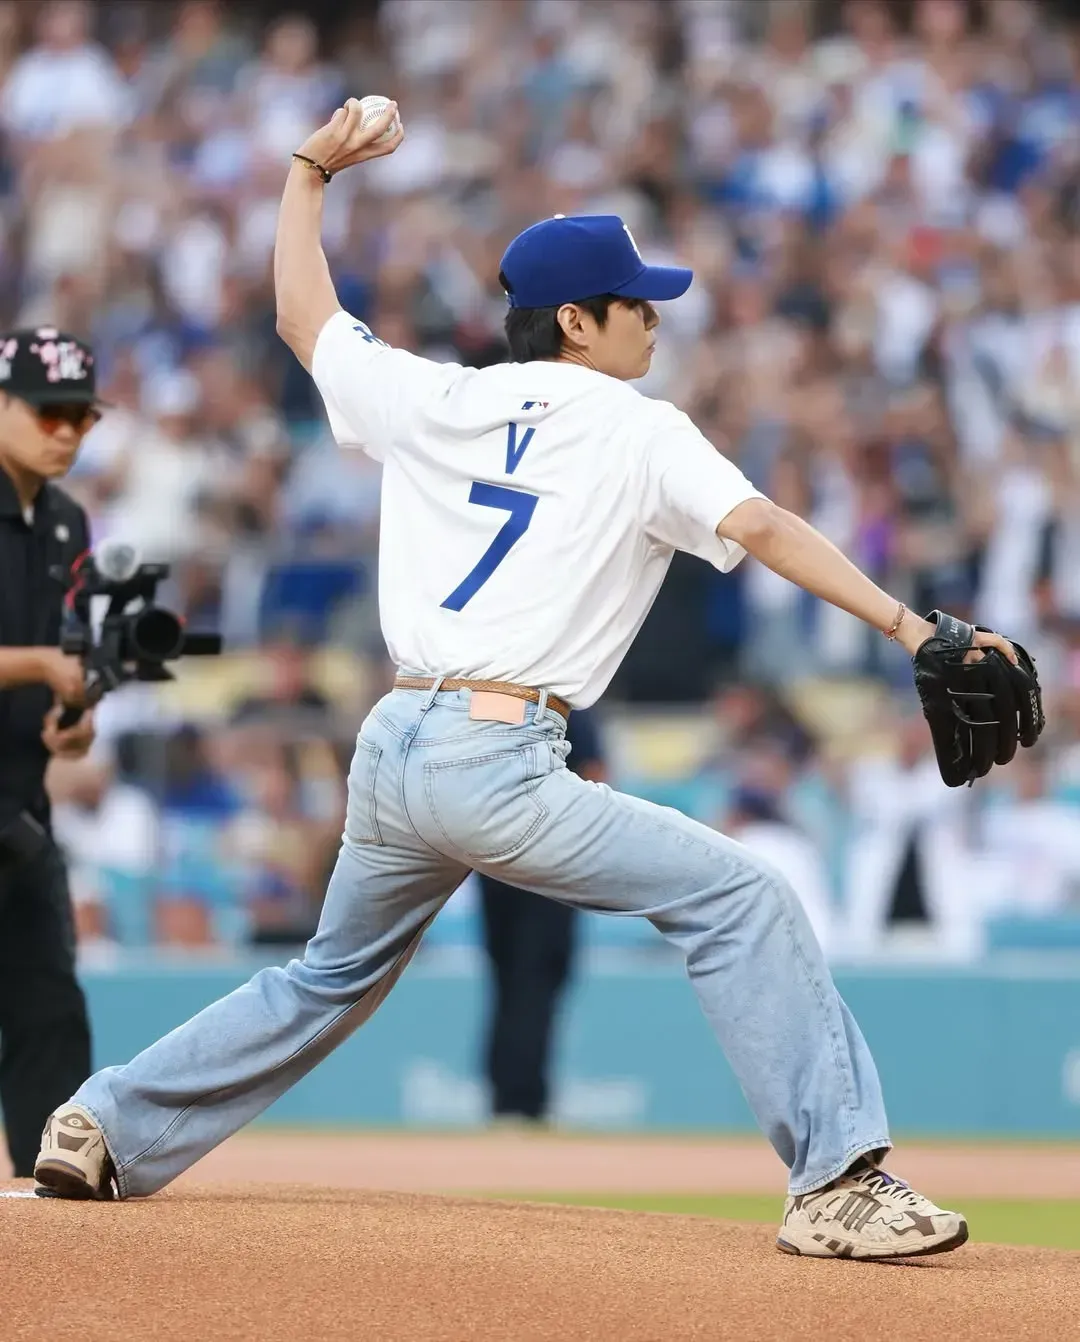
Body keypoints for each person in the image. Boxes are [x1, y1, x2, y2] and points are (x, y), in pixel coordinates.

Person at [36, 99, 1019, 1261]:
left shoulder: (439, 396)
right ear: (576, 320)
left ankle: (104, 1120)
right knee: (739, 897)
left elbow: (305, 315)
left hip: (394, 744)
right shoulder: (639, 426)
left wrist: (308, 173)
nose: (653, 318)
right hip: (499, 756)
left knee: (327, 974)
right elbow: (761, 525)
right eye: (635, 301)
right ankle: (838, 1183)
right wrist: (911, 628)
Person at [0, 326, 102, 1176]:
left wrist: (76, 717)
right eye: (47, 412)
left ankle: (52, 1209)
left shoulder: (67, 521)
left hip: (19, 810)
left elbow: (75, 666)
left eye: (81, 416)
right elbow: (47, 656)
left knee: (50, 1009)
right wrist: (36, 665)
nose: (65, 430)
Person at [479, 707, 605, 1126]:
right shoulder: (568, 705)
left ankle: (504, 1095)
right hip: (551, 860)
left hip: (493, 858)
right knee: (538, 980)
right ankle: (523, 1098)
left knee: (507, 980)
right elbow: (595, 779)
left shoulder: (489, 700)